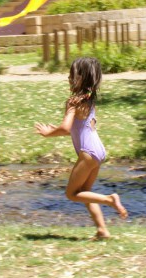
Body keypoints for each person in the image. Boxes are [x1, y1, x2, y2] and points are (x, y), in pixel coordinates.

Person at [35, 57, 127, 240]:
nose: (69, 78)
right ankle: (102, 230)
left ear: (81, 78)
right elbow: (78, 129)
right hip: (98, 151)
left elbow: (66, 128)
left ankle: (110, 199)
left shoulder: (73, 102)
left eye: (72, 75)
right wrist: (56, 130)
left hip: (87, 153)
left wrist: (48, 133)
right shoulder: (88, 99)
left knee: (72, 194)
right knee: (85, 192)